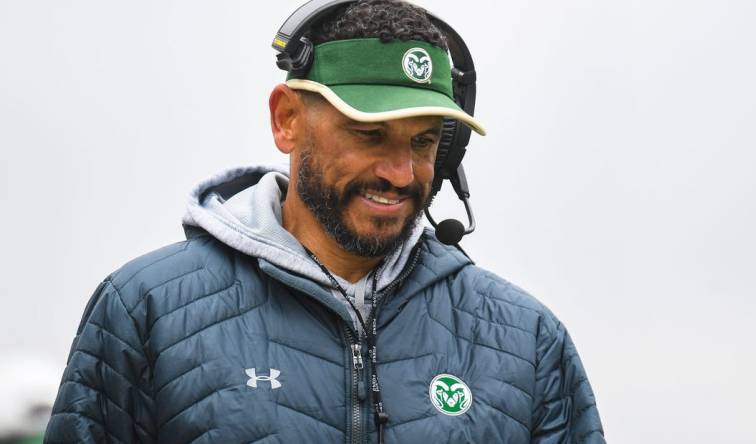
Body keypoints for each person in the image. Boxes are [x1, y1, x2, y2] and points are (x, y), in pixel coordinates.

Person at [44, 1, 605, 443]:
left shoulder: (528, 340)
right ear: (287, 120)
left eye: (425, 142)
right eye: (370, 135)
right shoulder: (145, 310)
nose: (401, 172)